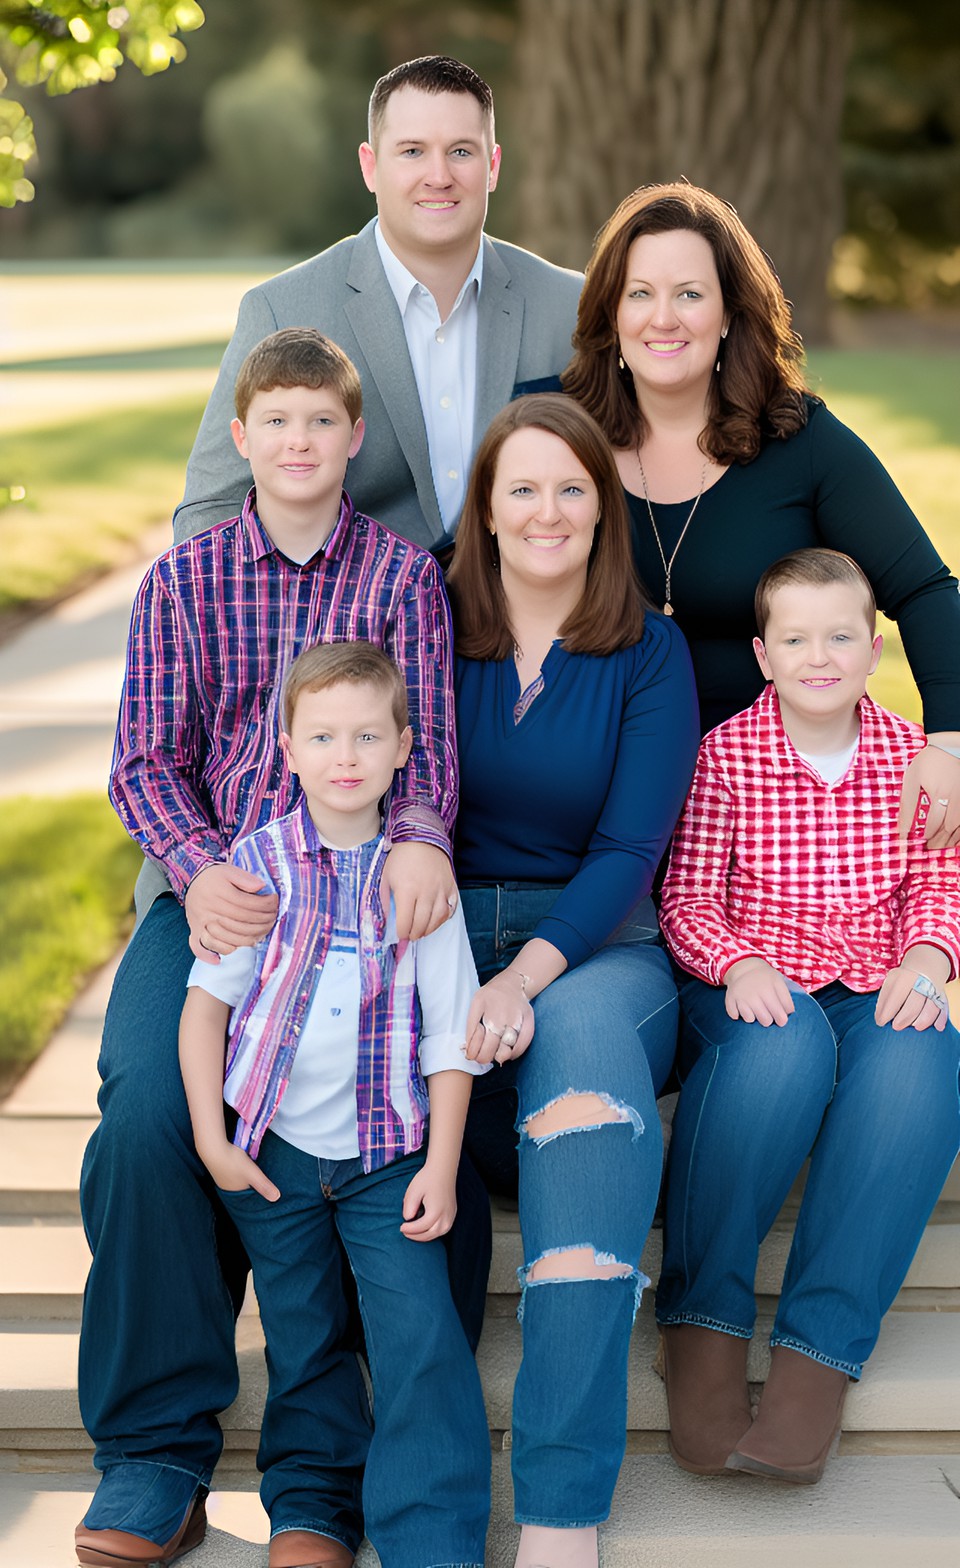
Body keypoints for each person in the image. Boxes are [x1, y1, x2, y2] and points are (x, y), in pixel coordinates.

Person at [75, 330, 458, 1568]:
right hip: (223, 893)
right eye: (274, 423)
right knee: (142, 1114)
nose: (299, 444)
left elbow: (430, 757)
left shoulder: (403, 581)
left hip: (355, 892)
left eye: (322, 423)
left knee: (352, 1145)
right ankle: (156, 1447)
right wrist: (203, 873)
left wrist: (413, 838)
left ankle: (321, 1485)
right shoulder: (182, 581)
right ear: (240, 439)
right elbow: (142, 762)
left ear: (355, 440)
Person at [446, 394, 700, 1568]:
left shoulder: (647, 648)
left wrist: (526, 981)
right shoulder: (428, 621)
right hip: (440, 927)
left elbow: (629, 852)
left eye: (573, 488)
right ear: (484, 511)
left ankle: (558, 1510)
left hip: (599, 943)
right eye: (522, 489)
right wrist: (457, 974)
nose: (548, 512)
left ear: (604, 505)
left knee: (589, 1090)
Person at [179, 641, 491, 1568]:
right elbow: (207, 1009)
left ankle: (429, 1534)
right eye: (322, 736)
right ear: (287, 746)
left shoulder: (420, 880)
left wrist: (440, 1164)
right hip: (271, 1154)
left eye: (367, 734)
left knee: (419, 1340)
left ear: (405, 748)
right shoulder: (259, 863)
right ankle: (313, 1513)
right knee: (302, 1336)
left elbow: (451, 1033)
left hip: (385, 1160)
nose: (345, 755)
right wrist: (212, 1136)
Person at [656, 548, 960, 1485]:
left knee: (920, 1065)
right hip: (752, 981)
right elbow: (687, 899)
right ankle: (703, 1328)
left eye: (840, 637)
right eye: (796, 638)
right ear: (763, 652)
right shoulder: (727, 755)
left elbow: (937, 882)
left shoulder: (915, 757)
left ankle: (816, 1359)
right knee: (781, 1058)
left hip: (873, 978)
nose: (818, 656)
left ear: (875, 648)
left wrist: (928, 956)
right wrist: (739, 962)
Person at [560, 180, 960, 845]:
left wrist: (949, 741)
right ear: (611, 315)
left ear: (727, 315)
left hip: (774, 808)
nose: (664, 318)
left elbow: (924, 589)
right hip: (602, 800)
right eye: (640, 294)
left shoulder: (798, 440)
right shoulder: (561, 440)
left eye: (690, 294)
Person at [175, 55, 582, 550]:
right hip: (352, 622)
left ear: (493, 166)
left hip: (526, 620)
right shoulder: (282, 310)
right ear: (370, 166)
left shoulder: (569, 306)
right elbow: (209, 512)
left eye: (461, 151)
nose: (438, 175)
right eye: (412, 151)